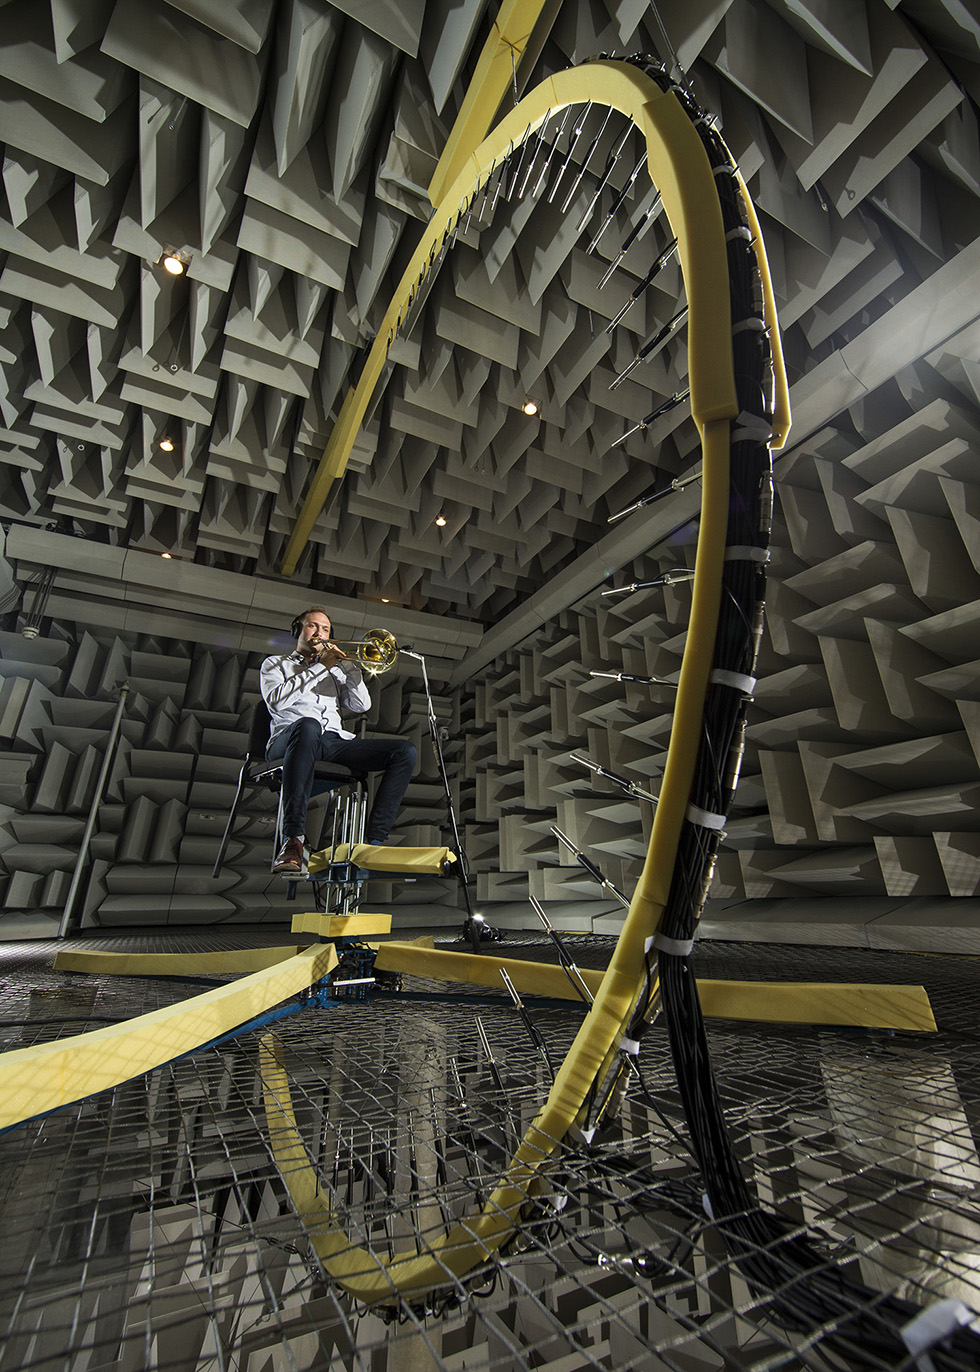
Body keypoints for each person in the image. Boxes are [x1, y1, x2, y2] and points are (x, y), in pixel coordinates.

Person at [260, 606, 417, 874]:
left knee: (405, 751)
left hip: (331, 742)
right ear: (298, 629)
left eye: (325, 629)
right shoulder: (275, 664)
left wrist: (348, 669)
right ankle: (293, 840)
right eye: (312, 626)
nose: (319, 633)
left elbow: (361, 705)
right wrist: (320, 667)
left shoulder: (335, 671)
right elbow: (277, 700)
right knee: (308, 725)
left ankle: (373, 843)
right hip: (289, 741)